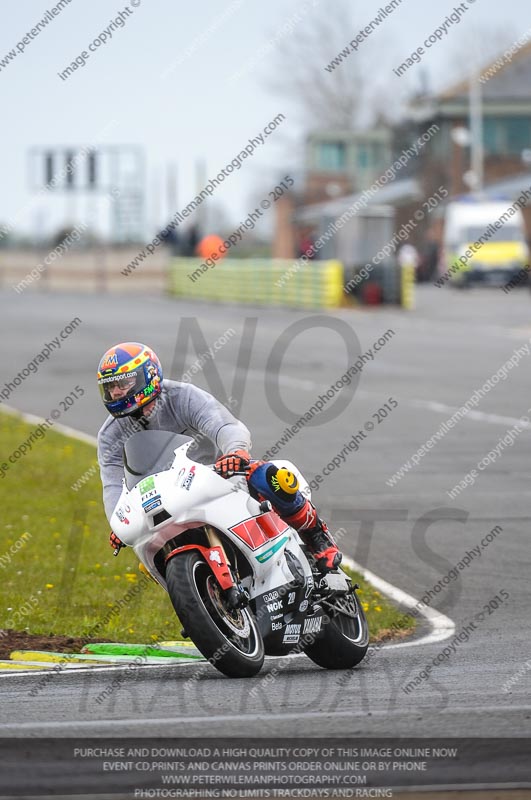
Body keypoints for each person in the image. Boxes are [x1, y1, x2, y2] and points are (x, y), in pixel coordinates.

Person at [97, 341, 342, 573]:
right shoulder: (109, 435)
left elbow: (224, 425)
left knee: (272, 477)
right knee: (145, 552)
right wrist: (118, 523)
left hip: (216, 476)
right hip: (164, 499)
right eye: (110, 387)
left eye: (124, 383)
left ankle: (315, 536)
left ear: (147, 375)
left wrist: (235, 451)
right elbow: (112, 485)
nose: (116, 392)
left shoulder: (183, 396)